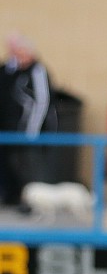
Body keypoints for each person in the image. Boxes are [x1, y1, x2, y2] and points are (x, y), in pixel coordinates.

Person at [0, 34, 58, 209]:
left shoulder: (38, 71)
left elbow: (41, 103)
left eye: (20, 53)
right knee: (16, 166)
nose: (16, 58)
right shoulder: (17, 71)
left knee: (32, 168)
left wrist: (31, 133)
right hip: (16, 132)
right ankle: (16, 199)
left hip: (33, 133)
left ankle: (38, 204)